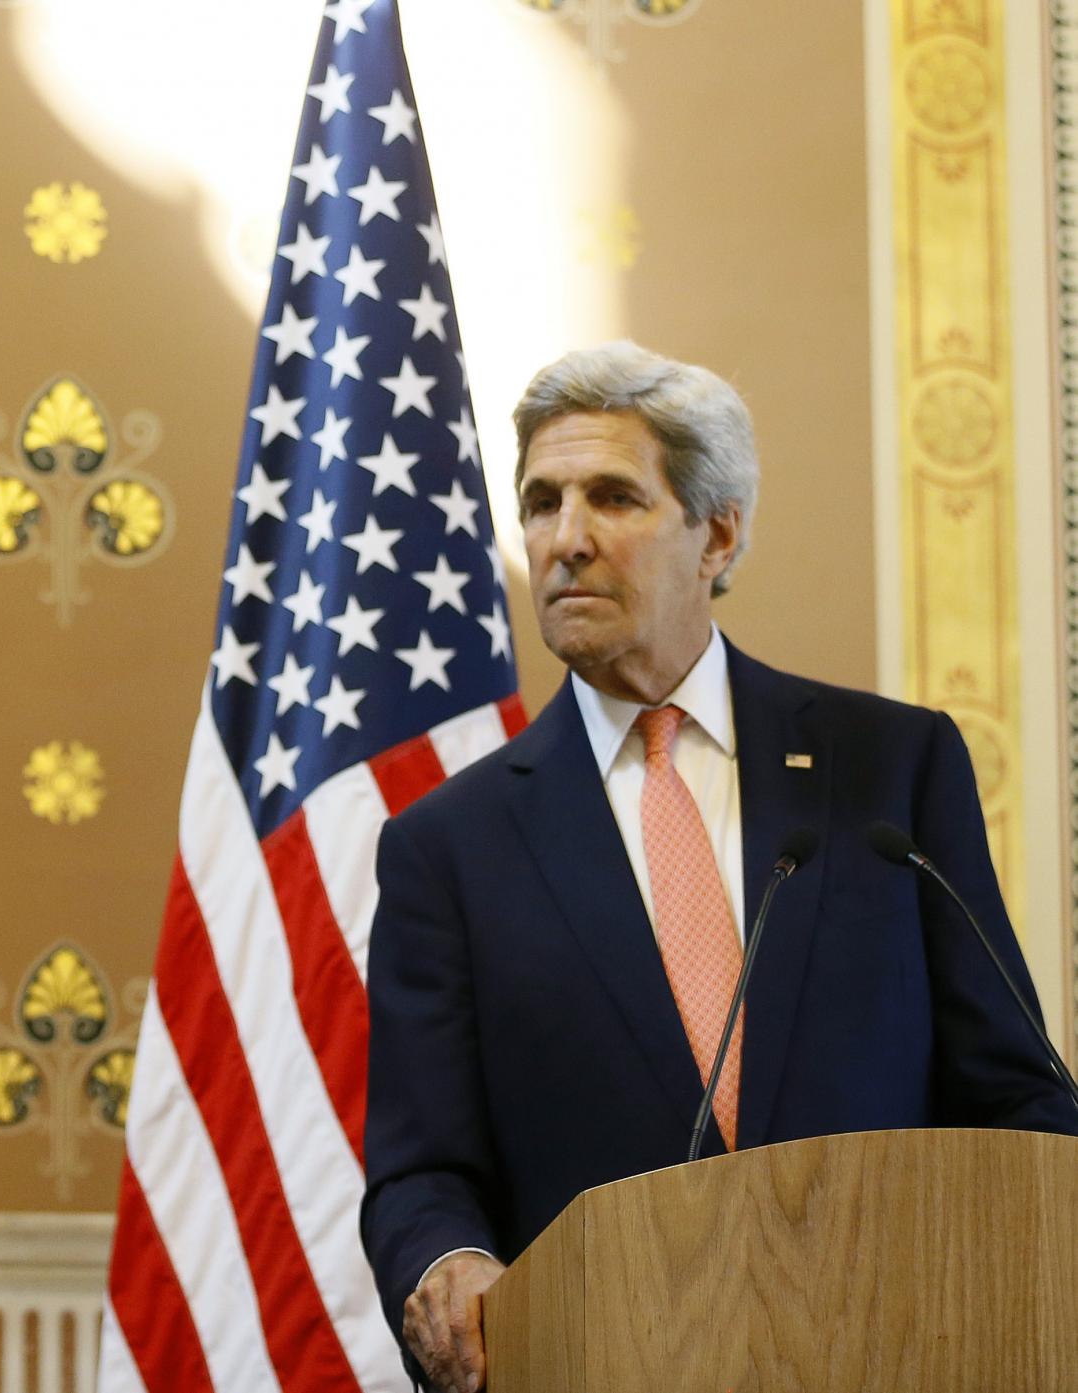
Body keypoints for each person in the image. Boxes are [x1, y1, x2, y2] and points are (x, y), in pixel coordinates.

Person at [359, 342, 1078, 1392]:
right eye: (541, 501)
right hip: (603, 1360)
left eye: (611, 496)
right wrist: (450, 1262)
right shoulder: (446, 846)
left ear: (717, 532)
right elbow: (421, 1169)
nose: (564, 540)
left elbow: (1015, 1095)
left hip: (899, 1348)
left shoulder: (888, 770)